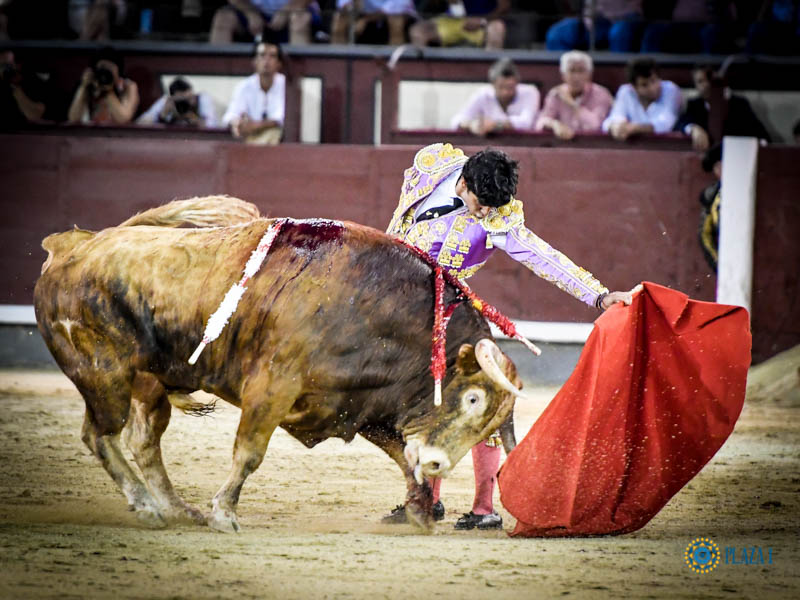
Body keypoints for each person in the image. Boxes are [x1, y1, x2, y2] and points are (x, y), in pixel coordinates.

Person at [383, 142, 635, 530]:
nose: (486, 212)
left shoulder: (499, 219)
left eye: (492, 206)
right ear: (463, 182)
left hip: (451, 314)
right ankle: (426, 499)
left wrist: (598, 296)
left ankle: (484, 508)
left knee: (480, 400)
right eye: (481, 203)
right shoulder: (434, 165)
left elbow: (541, 255)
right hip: (399, 310)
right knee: (423, 405)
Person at [674, 64, 771, 151]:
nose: (706, 85)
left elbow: (762, 136)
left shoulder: (739, 104)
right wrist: (693, 128)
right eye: (700, 81)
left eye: (709, 80)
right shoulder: (695, 105)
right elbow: (679, 124)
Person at [536, 50, 613, 140]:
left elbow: (595, 126)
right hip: (562, 146)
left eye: (581, 71)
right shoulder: (556, 94)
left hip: (594, 146)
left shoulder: (601, 94)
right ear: (563, 75)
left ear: (590, 75)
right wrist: (555, 125)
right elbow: (540, 123)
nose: (576, 77)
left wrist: (572, 104)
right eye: (571, 71)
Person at [450, 58, 539, 136]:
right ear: (493, 84)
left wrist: (496, 125)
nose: (505, 92)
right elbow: (456, 121)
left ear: (517, 83)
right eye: (501, 87)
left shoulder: (530, 92)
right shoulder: (483, 94)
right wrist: (472, 125)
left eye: (510, 87)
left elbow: (526, 122)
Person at [602, 57, 681, 141]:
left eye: (653, 81)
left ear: (659, 78)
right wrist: (616, 127)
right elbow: (611, 120)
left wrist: (635, 128)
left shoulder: (671, 90)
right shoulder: (626, 91)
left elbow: (666, 124)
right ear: (634, 87)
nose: (652, 88)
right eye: (644, 85)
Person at [222, 41, 285, 145]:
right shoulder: (244, 86)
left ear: (279, 63)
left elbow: (281, 119)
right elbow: (230, 115)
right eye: (262, 55)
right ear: (254, 61)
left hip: (276, 139)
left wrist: (256, 126)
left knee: (273, 132)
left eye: (272, 56)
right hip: (248, 137)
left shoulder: (286, 85)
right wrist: (237, 123)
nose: (267, 60)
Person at [67, 47, 139, 124]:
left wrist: (108, 92)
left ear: (119, 71)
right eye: (102, 68)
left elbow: (123, 120)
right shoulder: (89, 84)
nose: (105, 74)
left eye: (110, 69)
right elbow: (73, 119)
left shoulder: (127, 87)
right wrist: (83, 87)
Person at [545, 0, 642, 52]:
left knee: (619, 33)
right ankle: (567, 76)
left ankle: (621, 75)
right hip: (593, 20)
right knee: (557, 34)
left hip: (624, 17)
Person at [409, 0, 510, 50]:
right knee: (418, 31)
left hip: (484, 23)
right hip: (456, 21)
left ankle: (491, 74)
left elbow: (504, 6)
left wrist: (482, 21)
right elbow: (449, 5)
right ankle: (422, 76)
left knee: (497, 28)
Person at [209, 0, 317, 45]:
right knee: (223, 18)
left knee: (300, 20)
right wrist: (250, 13)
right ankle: (218, 76)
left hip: (294, 9)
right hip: (251, 12)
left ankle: (299, 76)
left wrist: (286, 11)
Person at [137, 77, 219, 127]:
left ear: (192, 93)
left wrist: (195, 119)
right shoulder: (167, 101)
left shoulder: (202, 99)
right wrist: (162, 115)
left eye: (188, 99)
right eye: (180, 101)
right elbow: (141, 123)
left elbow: (212, 125)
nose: (184, 104)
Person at [331, 0, 417, 46]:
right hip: (365, 20)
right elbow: (343, 5)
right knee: (340, 19)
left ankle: (395, 65)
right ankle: (338, 63)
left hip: (398, 21)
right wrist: (353, 6)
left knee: (396, 20)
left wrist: (365, 20)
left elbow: (395, 9)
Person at [0, 49, 46, 130]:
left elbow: (36, 113)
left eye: (9, 66)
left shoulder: (30, 81)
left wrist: (16, 85)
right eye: (3, 66)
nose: (6, 70)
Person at [698, 143, 722, 272]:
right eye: (716, 167)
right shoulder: (711, 195)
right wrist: (718, 264)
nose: (717, 171)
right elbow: (704, 234)